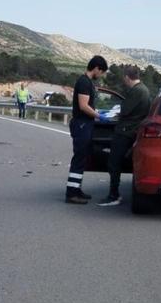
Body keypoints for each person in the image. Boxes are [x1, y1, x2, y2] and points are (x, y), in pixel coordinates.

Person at [98, 65, 153, 207]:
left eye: (124, 78)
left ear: (127, 77)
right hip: (133, 130)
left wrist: (114, 114)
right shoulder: (144, 90)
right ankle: (114, 193)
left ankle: (113, 194)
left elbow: (125, 110)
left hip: (126, 131)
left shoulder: (136, 91)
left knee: (114, 162)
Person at [65, 56, 109, 204]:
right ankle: (72, 193)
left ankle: (76, 189)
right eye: (101, 72)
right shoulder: (84, 82)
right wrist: (98, 116)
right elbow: (83, 106)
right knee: (79, 158)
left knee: (82, 159)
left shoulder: (87, 82)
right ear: (96, 68)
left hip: (84, 124)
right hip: (82, 124)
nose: (101, 75)